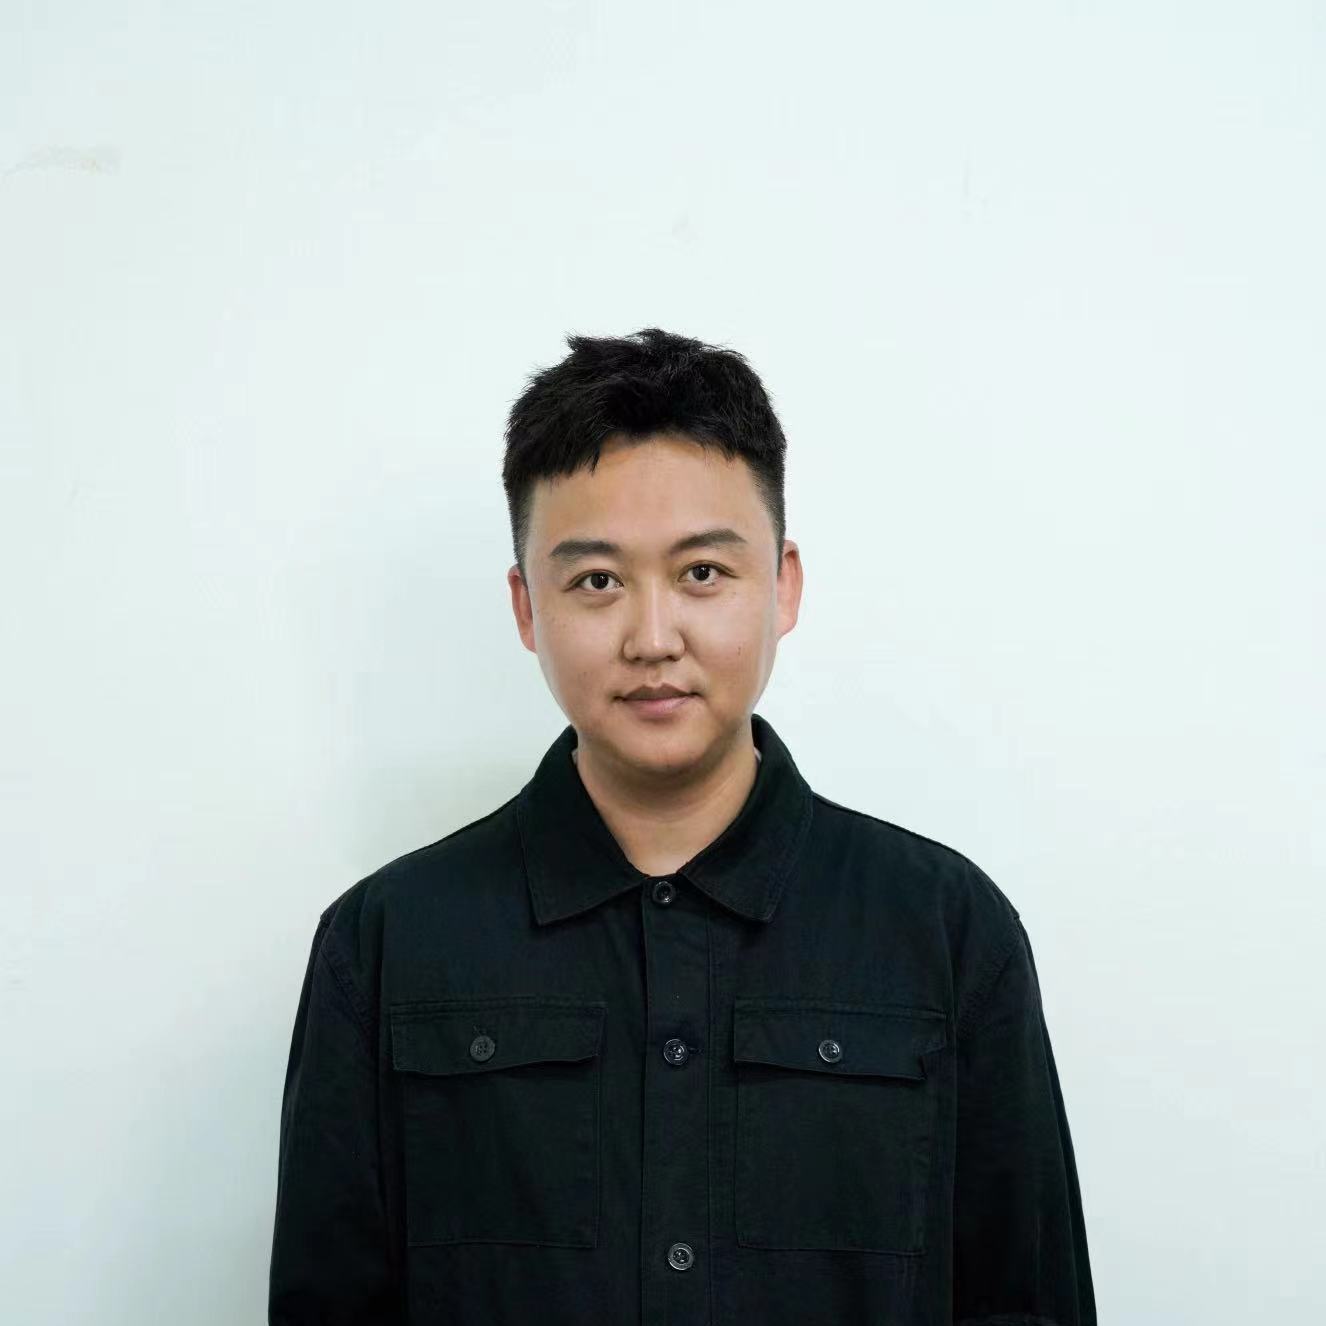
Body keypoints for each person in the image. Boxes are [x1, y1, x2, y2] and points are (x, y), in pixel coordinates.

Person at [267, 327, 1097, 1324]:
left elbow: (1029, 1301)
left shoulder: (947, 932)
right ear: (527, 607)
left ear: (782, 585)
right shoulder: (385, 946)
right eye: (597, 581)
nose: (652, 638)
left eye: (702, 573)